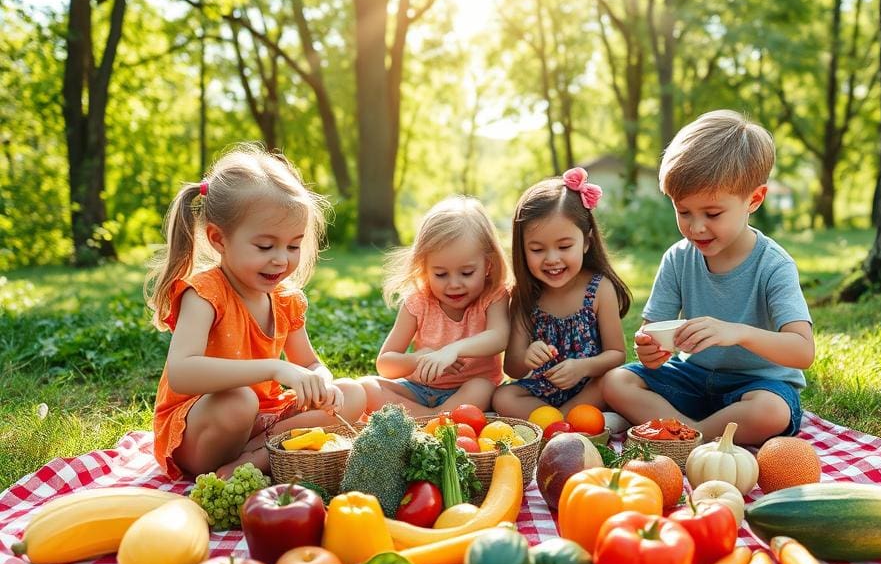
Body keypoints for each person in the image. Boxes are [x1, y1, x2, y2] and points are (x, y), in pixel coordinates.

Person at [145, 144, 366, 480]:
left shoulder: (285, 299)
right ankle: (259, 455)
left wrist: (320, 380)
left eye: (293, 245)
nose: (281, 259)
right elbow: (181, 372)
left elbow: (308, 361)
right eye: (265, 246)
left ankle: (259, 457)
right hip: (203, 426)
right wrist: (275, 369)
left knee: (351, 394)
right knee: (238, 401)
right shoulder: (205, 293)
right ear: (219, 239)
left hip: (263, 423)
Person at [602, 110, 815, 446]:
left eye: (712, 213)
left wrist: (737, 333)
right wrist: (650, 350)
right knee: (616, 381)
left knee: (771, 411)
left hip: (756, 385)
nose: (696, 227)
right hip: (693, 379)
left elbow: (803, 351)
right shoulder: (678, 257)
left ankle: (683, 435)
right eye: (683, 211)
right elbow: (651, 331)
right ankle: (691, 433)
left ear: (754, 199)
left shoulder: (773, 265)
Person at [492, 167, 631, 418]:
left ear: (587, 242)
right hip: (543, 391)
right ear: (522, 250)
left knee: (613, 381)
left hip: (590, 386)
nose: (552, 259)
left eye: (564, 246)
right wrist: (527, 356)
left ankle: (554, 423)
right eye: (537, 249)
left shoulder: (599, 289)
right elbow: (512, 368)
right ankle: (564, 423)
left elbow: (617, 354)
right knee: (503, 396)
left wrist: (583, 367)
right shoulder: (525, 295)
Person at [359, 196, 511, 417]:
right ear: (424, 267)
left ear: (488, 264)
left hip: (466, 393)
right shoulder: (418, 302)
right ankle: (435, 418)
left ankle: (422, 419)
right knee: (366, 387)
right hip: (419, 390)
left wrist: (452, 351)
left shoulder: (493, 296)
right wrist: (422, 358)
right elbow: (385, 364)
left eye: (467, 273)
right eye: (440, 274)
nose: (454, 284)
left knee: (483, 388)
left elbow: (499, 337)